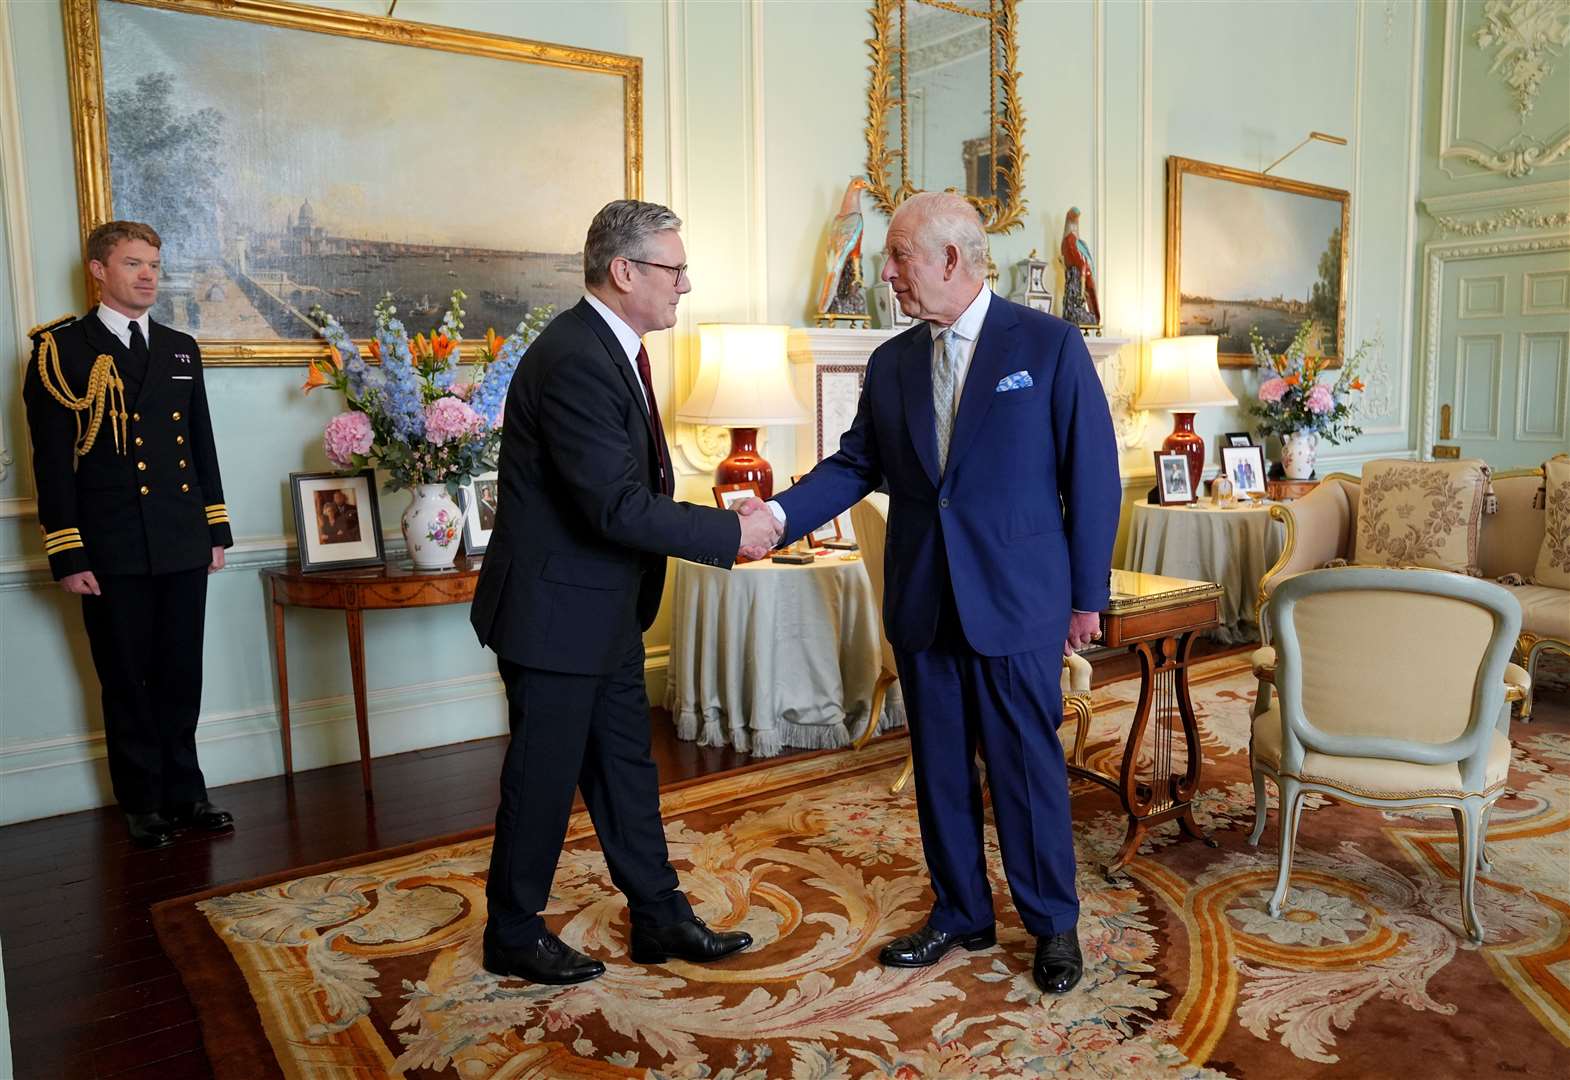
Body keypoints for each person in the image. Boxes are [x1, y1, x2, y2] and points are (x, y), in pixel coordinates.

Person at [770, 192, 1120, 995]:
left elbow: (1092, 479)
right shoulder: (892, 362)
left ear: (951, 260)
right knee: (938, 770)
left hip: (1018, 600)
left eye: (898, 257)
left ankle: (1051, 924)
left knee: (1024, 769)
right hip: (926, 600)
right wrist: (780, 515)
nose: (885, 273)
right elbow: (856, 465)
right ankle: (960, 910)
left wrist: (1085, 594)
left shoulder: (1051, 344)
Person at [469, 199, 781, 985]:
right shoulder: (576, 356)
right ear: (625, 271)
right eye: (674, 270)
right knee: (542, 781)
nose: (685, 284)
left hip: (599, 607)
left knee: (624, 768)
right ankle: (511, 931)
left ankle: (659, 915)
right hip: (553, 613)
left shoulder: (612, 348)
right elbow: (614, 504)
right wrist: (727, 534)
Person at [22, 220, 235, 849]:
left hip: (178, 537)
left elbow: (200, 445)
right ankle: (142, 801)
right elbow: (52, 461)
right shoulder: (62, 351)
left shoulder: (178, 347)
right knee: (126, 677)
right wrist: (67, 549)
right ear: (98, 271)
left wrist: (214, 529)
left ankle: (187, 792)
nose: (148, 276)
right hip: (109, 543)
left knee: (180, 673)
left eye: (154, 265)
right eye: (133, 263)